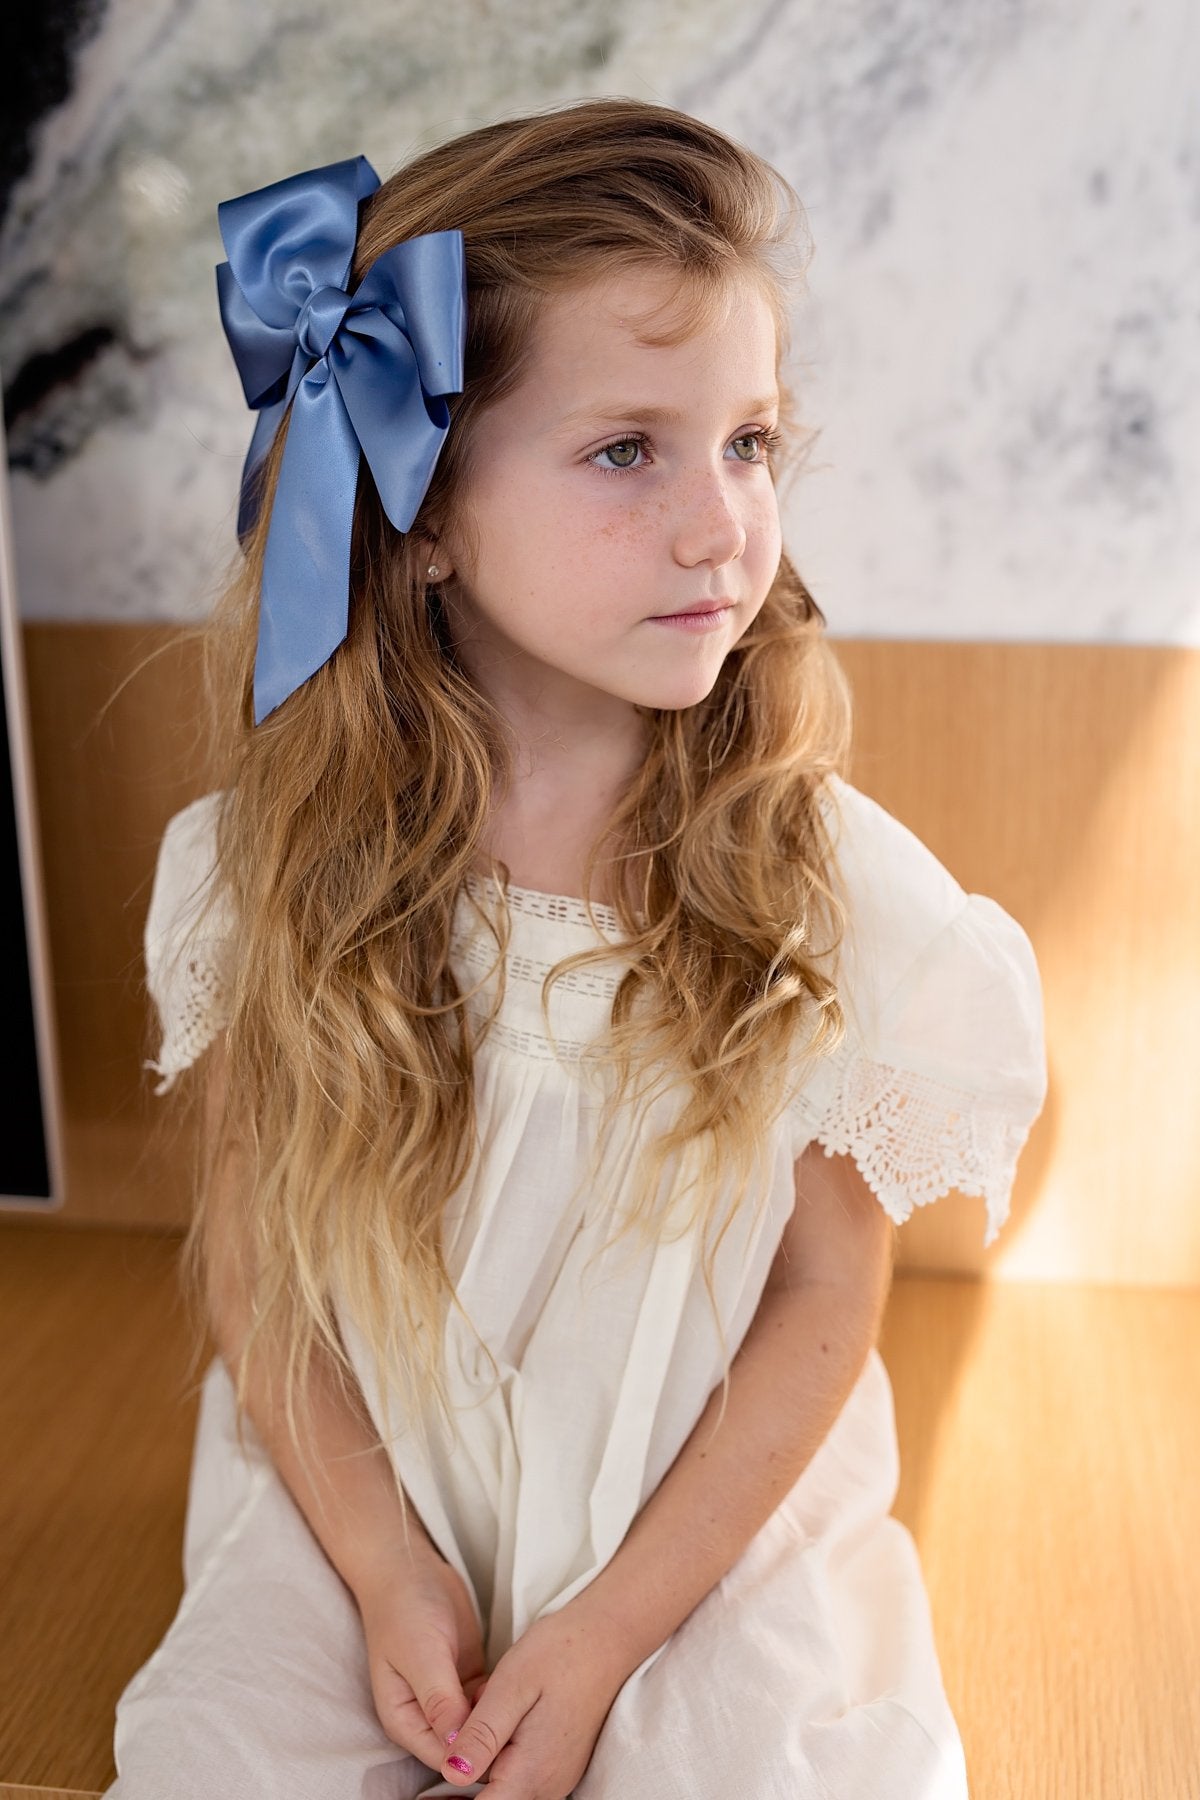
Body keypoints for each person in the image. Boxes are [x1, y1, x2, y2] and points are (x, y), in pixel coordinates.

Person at [109, 98, 1047, 1799]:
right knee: (217, 1763)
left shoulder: (823, 893)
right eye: (628, 451)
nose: (721, 526)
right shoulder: (274, 874)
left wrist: (611, 1628)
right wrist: (386, 1569)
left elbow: (824, 1296)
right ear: (424, 514)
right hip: (368, 1488)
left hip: (695, 1517)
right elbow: (259, 1263)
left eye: (749, 442)